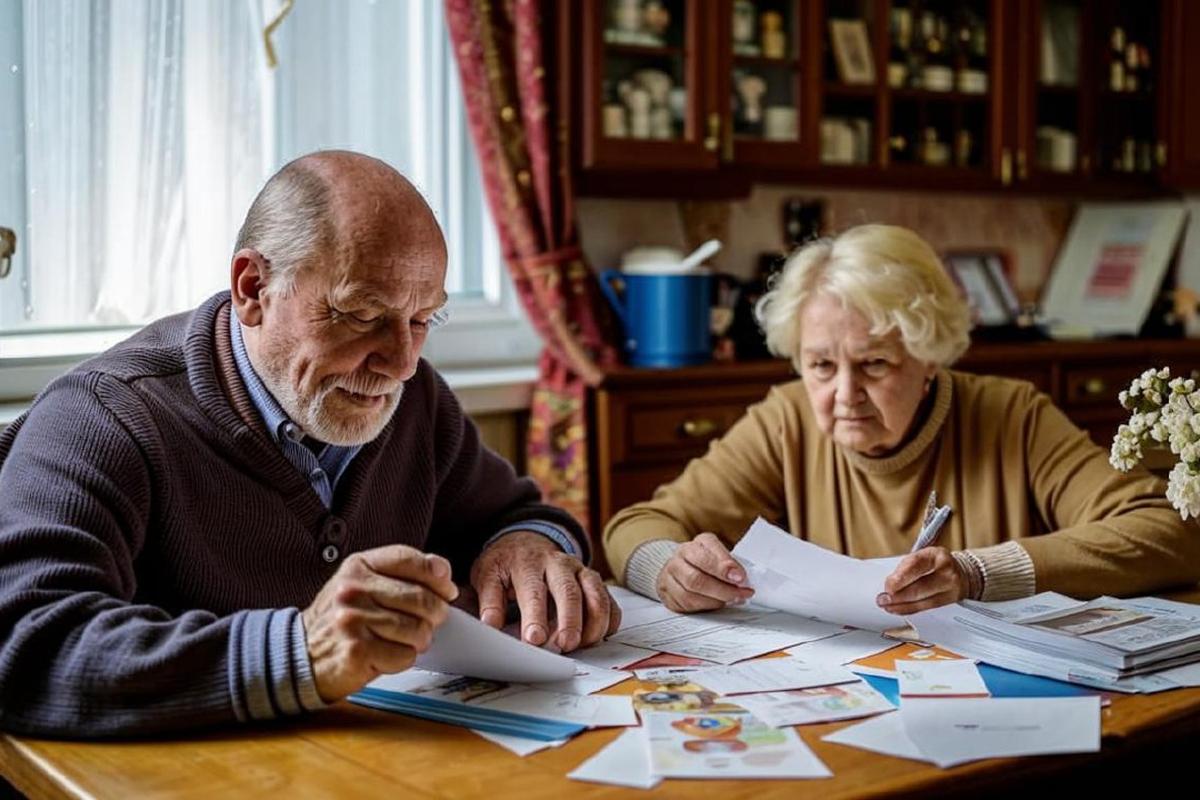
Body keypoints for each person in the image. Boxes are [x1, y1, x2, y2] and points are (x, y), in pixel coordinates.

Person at [0, 150, 618, 737]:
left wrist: (529, 545)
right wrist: (298, 653)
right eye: (361, 314)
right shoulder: (104, 417)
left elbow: (519, 514)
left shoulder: (413, 400)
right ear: (252, 289)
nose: (401, 362)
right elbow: (25, 645)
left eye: (423, 319)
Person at [604, 223, 1200, 615]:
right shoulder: (785, 421)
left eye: (875, 365)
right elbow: (636, 525)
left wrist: (977, 573)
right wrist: (669, 570)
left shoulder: (1010, 414)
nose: (844, 394)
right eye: (819, 365)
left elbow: (1165, 531)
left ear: (930, 355)